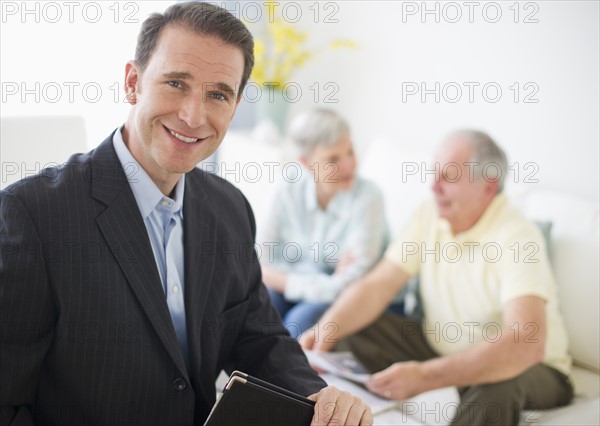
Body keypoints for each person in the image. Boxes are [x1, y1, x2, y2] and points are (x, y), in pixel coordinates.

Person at [0, 3, 371, 425]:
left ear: (234, 107)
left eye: (218, 94)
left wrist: (319, 398)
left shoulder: (229, 208)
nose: (194, 116)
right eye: (176, 83)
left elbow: (259, 337)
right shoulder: (31, 214)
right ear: (133, 82)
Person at [301, 130, 573, 425]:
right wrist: (327, 329)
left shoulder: (518, 237)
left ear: (489, 186)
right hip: (440, 348)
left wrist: (425, 376)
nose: (434, 186)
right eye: (434, 174)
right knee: (348, 329)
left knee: (498, 386)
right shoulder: (430, 214)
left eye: (449, 177)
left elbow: (525, 342)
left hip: (537, 368)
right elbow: (378, 286)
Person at [259, 109, 390, 338]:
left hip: (353, 298)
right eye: (333, 159)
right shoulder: (288, 187)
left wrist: (288, 279)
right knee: (257, 309)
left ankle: (279, 375)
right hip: (309, 285)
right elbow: (261, 262)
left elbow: (352, 284)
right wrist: (327, 280)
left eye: (350, 152)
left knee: (299, 322)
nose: (349, 165)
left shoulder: (369, 198)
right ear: (306, 162)